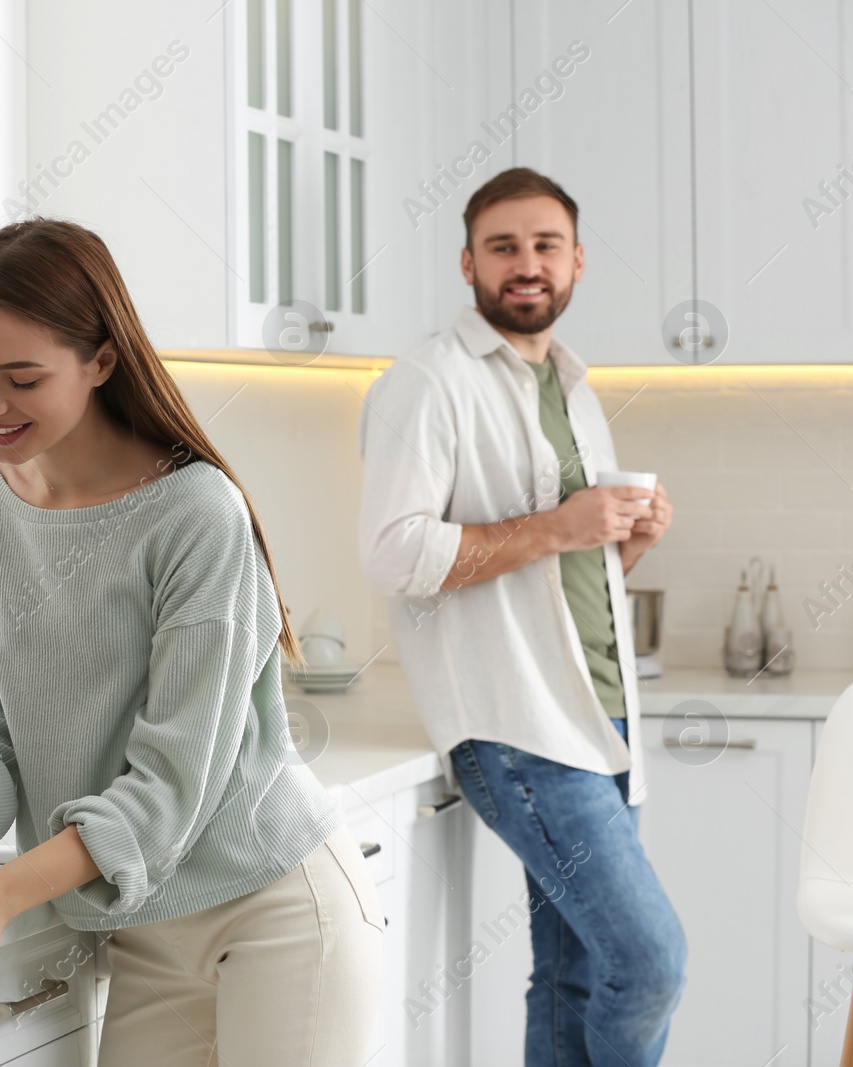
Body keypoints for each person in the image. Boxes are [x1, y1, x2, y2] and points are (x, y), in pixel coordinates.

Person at [0, 218, 383, 1065]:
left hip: (277, 906)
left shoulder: (195, 514)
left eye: (21, 378)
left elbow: (167, 787)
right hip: (144, 924)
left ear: (100, 362)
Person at [358, 168, 685, 1065]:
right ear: (469, 262)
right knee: (651, 961)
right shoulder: (427, 382)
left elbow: (554, 564)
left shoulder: (573, 387)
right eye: (504, 246)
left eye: (546, 245)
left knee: (576, 975)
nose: (526, 264)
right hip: (519, 729)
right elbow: (392, 553)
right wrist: (554, 526)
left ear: (577, 261)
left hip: (604, 718)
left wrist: (624, 544)